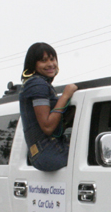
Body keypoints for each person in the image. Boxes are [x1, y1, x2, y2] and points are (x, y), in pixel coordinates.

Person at [19, 42, 78, 172]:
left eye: (52, 59)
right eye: (43, 61)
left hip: (42, 153)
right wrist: (65, 96)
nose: (50, 64)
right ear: (33, 64)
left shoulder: (37, 84)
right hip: (50, 152)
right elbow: (47, 126)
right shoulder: (37, 84)